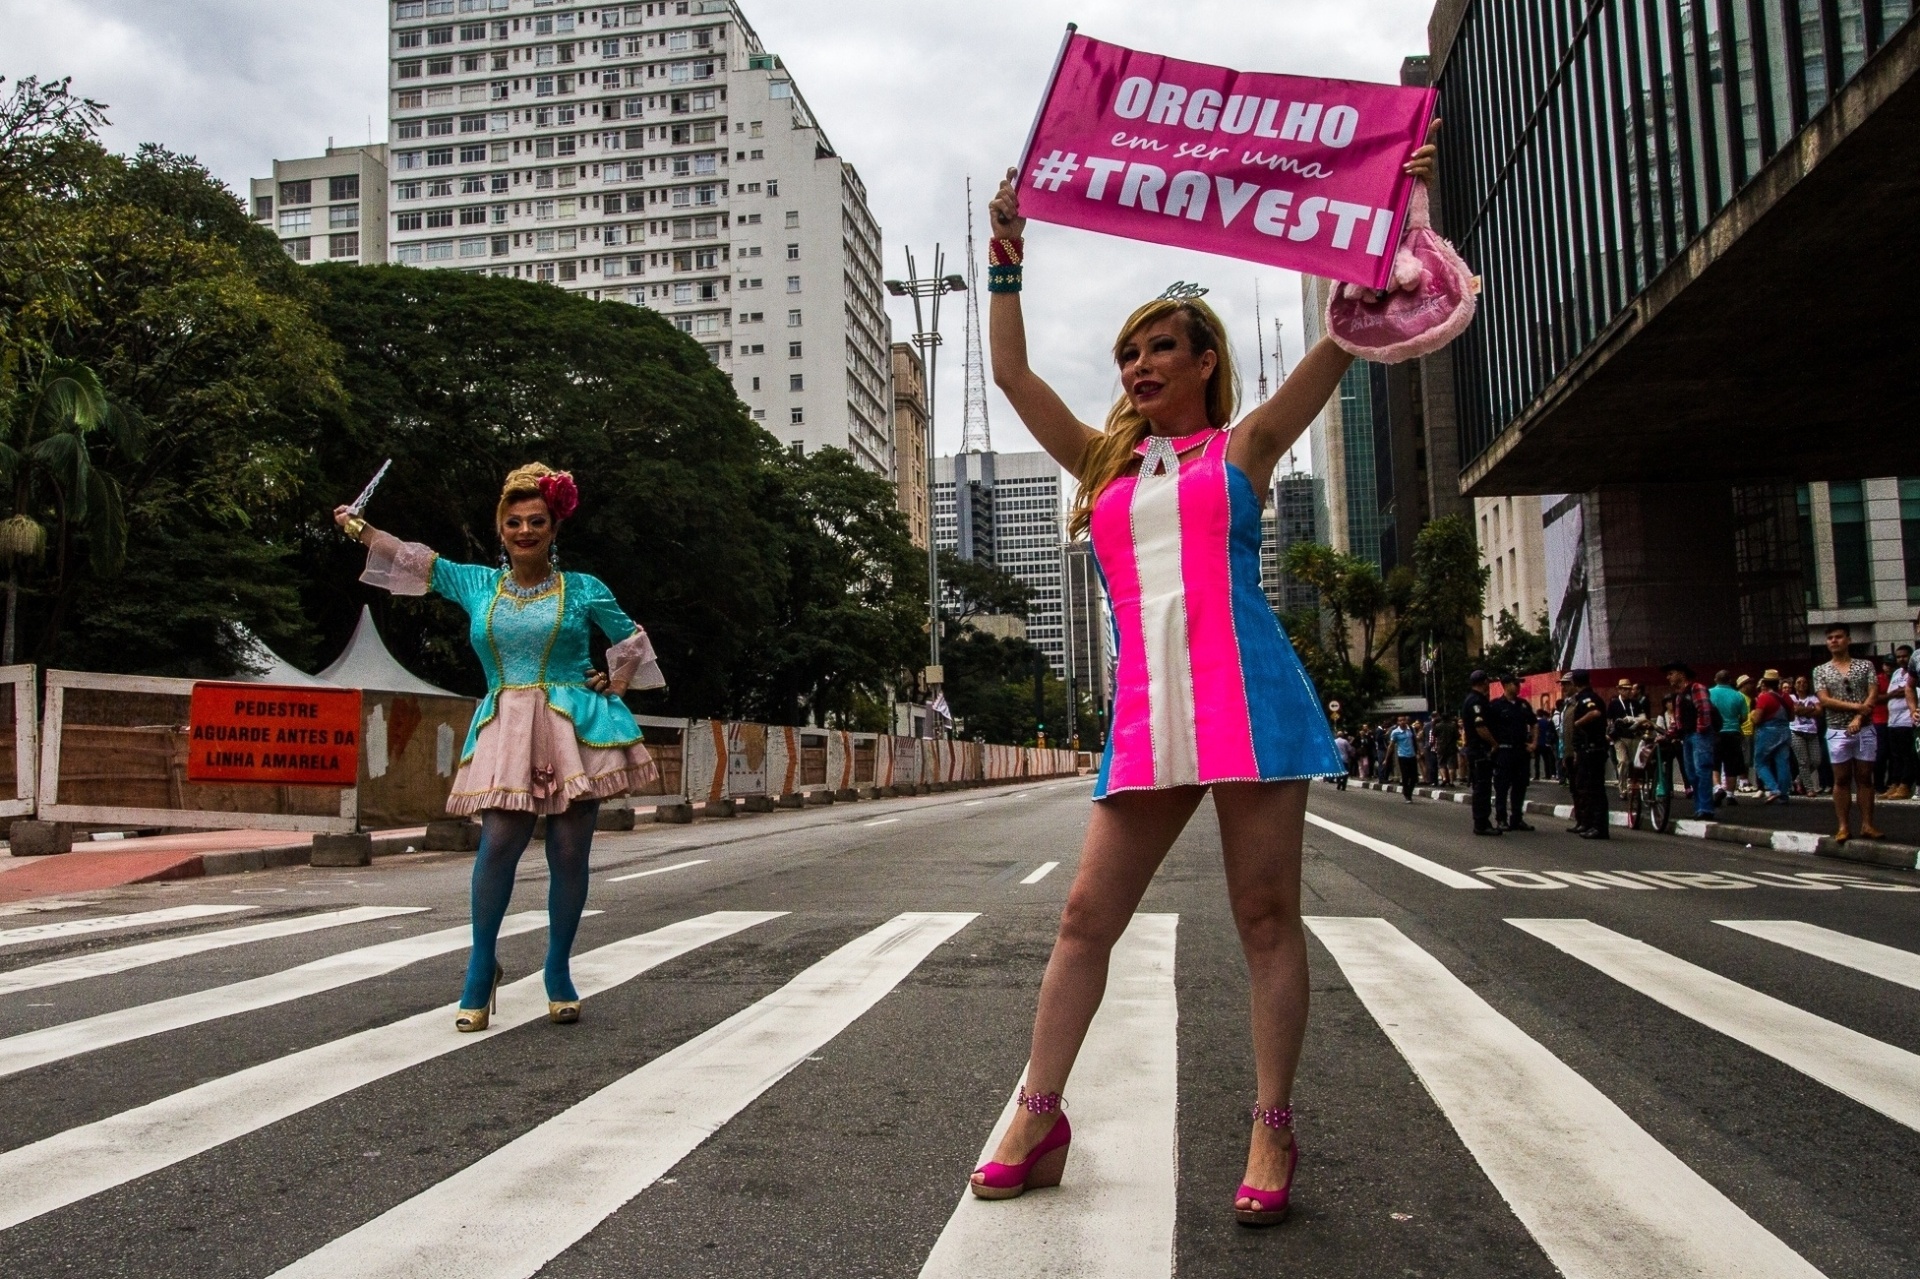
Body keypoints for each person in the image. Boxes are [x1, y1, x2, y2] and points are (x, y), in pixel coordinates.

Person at [969, 128, 1440, 1227]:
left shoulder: (1247, 446)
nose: (1139, 367)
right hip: (1148, 715)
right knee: (1084, 915)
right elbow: (1007, 372)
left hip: (1254, 705)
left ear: (1205, 363)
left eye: (1161, 349)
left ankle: (1272, 1125)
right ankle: (1039, 1112)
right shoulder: (1103, 463)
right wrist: (1005, 259)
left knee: (1266, 918)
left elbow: (1347, 333)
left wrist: (1391, 208)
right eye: (1130, 352)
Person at [335, 464, 664, 1031]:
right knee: (498, 846)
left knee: (568, 852)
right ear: (501, 528)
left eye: (537, 520)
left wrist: (617, 679)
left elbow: (629, 638)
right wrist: (358, 529)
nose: (525, 530)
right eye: (514, 521)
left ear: (554, 527)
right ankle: (479, 966)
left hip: (573, 728)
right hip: (506, 722)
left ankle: (557, 969)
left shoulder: (584, 588)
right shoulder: (476, 584)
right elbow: (416, 560)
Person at [1812, 623, 1883, 843]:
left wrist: (1859, 717)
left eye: (1839, 637)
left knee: (1864, 777)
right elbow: (1824, 699)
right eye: (1830, 638)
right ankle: (1843, 826)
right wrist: (1855, 709)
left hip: (1865, 728)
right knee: (1841, 778)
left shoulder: (1865, 666)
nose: (1834, 641)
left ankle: (1867, 824)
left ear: (1848, 639)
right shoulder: (1821, 670)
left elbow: (1873, 693)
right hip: (1836, 729)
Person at [1662, 661, 1719, 820]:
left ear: (1681, 673)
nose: (1669, 677)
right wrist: (1671, 733)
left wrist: (1700, 729)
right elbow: (1679, 719)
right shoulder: (1679, 696)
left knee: (1702, 770)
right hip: (1687, 736)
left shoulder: (1696, 688)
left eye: (1671, 673)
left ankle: (1705, 808)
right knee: (1691, 773)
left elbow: (1704, 710)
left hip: (1699, 735)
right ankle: (1700, 806)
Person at [1487, 675, 1536, 831]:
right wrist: (1493, 745)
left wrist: (1534, 743)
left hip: (1520, 751)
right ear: (1506, 685)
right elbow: (1486, 727)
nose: (1518, 687)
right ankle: (1501, 819)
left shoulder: (1523, 705)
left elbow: (1534, 724)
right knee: (1502, 787)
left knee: (1520, 786)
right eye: (1515, 684)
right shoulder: (1495, 706)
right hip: (1503, 751)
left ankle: (1517, 818)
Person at [1564, 669, 1608, 837]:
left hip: (1593, 748)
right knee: (1586, 788)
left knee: (1595, 789)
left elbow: (1595, 712)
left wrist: (1578, 723)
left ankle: (1599, 827)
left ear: (1575, 683)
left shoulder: (1587, 698)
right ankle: (1588, 823)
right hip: (1585, 749)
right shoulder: (1580, 699)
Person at [1462, 671, 1501, 835]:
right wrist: (1494, 743)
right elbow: (1480, 727)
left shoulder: (1472, 699)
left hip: (1477, 750)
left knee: (1482, 786)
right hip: (1480, 750)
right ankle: (1481, 823)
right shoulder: (1476, 701)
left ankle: (1483, 821)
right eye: (1487, 682)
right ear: (1483, 682)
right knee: (1482, 787)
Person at [1750, 671, 1793, 803]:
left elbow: (1757, 719)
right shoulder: (1787, 697)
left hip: (1767, 732)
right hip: (1785, 731)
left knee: (1760, 762)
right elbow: (1792, 717)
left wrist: (1752, 714)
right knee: (1782, 763)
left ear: (1765, 683)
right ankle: (1784, 795)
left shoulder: (1764, 697)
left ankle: (1774, 789)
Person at [1707, 670, 1747, 805]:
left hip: (1715, 733)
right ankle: (1730, 795)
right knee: (1732, 765)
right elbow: (1744, 717)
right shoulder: (1739, 696)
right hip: (1733, 732)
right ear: (1730, 680)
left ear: (1715, 679)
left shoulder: (1709, 693)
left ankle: (1717, 788)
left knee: (1714, 763)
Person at [1883, 644, 1914, 801]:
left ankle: (1905, 785)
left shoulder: (1915, 671)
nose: (1901, 659)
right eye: (1899, 656)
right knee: (1895, 755)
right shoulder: (1896, 673)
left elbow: (1907, 690)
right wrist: (1896, 692)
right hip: (1893, 721)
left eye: (1904, 656)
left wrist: (1898, 692)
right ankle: (1895, 783)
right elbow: (1890, 693)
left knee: (1907, 755)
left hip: (1907, 720)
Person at [1788, 675, 1825, 796]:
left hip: (1812, 732)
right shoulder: (1791, 697)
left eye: (1804, 682)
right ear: (1794, 685)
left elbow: (1819, 711)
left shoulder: (1813, 697)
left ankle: (1798, 780)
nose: (1801, 684)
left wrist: (1803, 709)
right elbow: (1796, 710)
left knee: (1816, 761)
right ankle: (1809, 789)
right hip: (1796, 731)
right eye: (1798, 682)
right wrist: (1811, 708)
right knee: (1803, 762)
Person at [1387, 714, 1418, 801]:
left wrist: (1418, 752)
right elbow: (1391, 746)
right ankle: (1406, 794)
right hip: (1402, 756)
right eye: (1400, 721)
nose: (1402, 722)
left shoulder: (1411, 729)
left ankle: (1409, 792)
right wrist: (1386, 758)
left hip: (1412, 755)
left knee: (1414, 777)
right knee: (1405, 775)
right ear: (1398, 722)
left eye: (1403, 720)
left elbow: (1414, 741)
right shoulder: (1395, 732)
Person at [1533, 698, 1559, 781]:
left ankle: (1537, 775)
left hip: (1537, 743)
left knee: (1536, 761)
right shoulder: (1547, 721)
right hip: (1545, 743)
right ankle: (1548, 774)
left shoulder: (1535, 723)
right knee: (1546, 760)